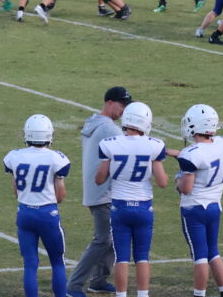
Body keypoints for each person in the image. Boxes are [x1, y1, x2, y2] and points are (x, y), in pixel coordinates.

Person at [96, 102, 168, 297]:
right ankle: (143, 295)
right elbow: (162, 182)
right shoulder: (154, 145)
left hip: (120, 207)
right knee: (142, 257)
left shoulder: (110, 144)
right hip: (143, 207)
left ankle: (121, 295)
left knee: (121, 258)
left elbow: (99, 179)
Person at [67, 86, 131, 297]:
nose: (124, 110)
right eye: (122, 104)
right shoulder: (109, 129)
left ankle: (99, 280)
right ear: (109, 102)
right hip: (104, 192)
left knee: (112, 237)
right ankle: (74, 285)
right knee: (103, 240)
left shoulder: (95, 123)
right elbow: (130, 150)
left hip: (97, 190)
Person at [4, 114, 71, 297]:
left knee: (30, 264)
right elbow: (60, 195)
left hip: (25, 213)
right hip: (47, 214)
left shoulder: (15, 156)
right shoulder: (56, 158)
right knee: (57, 261)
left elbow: (16, 190)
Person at [176, 104, 223, 297]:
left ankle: (199, 294)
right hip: (214, 207)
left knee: (199, 256)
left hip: (194, 209)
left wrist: (178, 180)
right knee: (213, 252)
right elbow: (205, 157)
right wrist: (175, 153)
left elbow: (186, 188)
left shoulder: (191, 154)